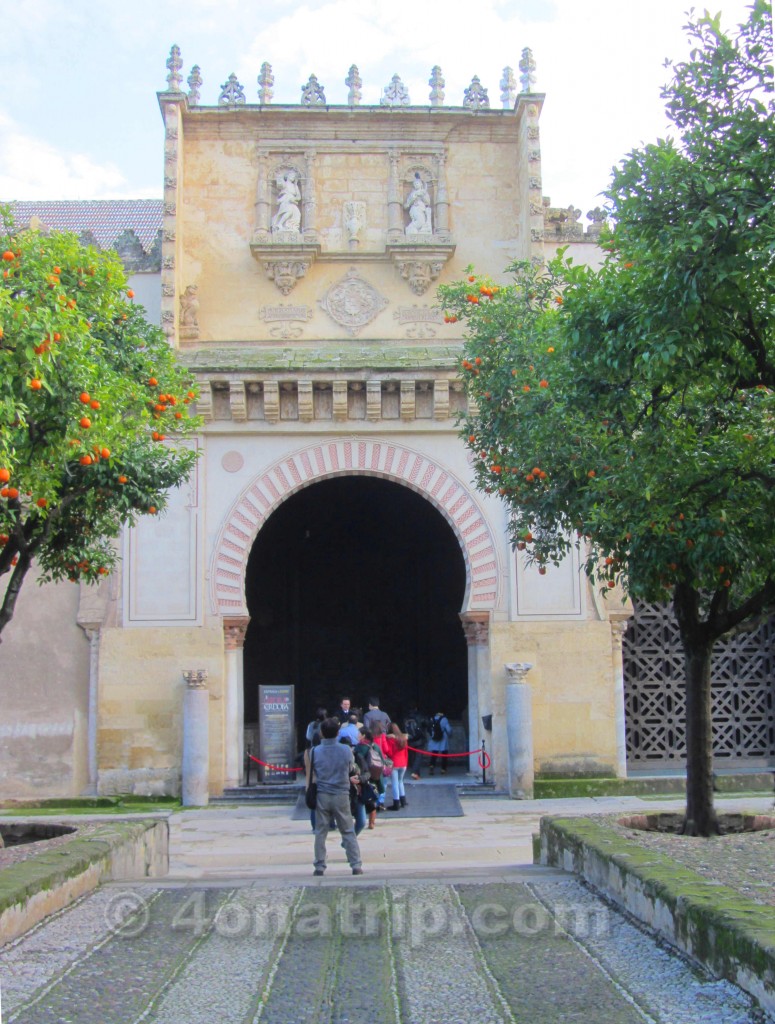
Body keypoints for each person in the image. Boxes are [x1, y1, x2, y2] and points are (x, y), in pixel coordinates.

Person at [308, 717, 363, 876]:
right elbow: (351, 767)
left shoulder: (315, 751)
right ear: (338, 732)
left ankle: (319, 865)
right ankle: (355, 864)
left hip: (323, 794)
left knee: (321, 832)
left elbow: (314, 773)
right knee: (347, 830)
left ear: (322, 733)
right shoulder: (345, 750)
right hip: (341, 793)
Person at [383, 722, 409, 810]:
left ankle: (396, 803)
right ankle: (403, 801)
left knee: (394, 783)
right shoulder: (403, 738)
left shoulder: (390, 739)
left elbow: (389, 752)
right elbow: (406, 752)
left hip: (394, 763)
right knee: (400, 782)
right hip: (403, 763)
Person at [427, 710, 452, 775]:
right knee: (444, 753)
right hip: (443, 737)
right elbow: (448, 729)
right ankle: (443, 769)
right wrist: (450, 734)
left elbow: (429, 728)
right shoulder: (444, 719)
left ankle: (431, 767)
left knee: (434, 753)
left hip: (434, 737)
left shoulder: (432, 718)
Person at [406, 708, 428, 780]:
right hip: (419, 740)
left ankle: (417, 774)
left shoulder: (407, 718)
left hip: (411, 739)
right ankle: (415, 772)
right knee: (418, 757)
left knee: (413, 757)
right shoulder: (420, 716)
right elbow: (426, 724)